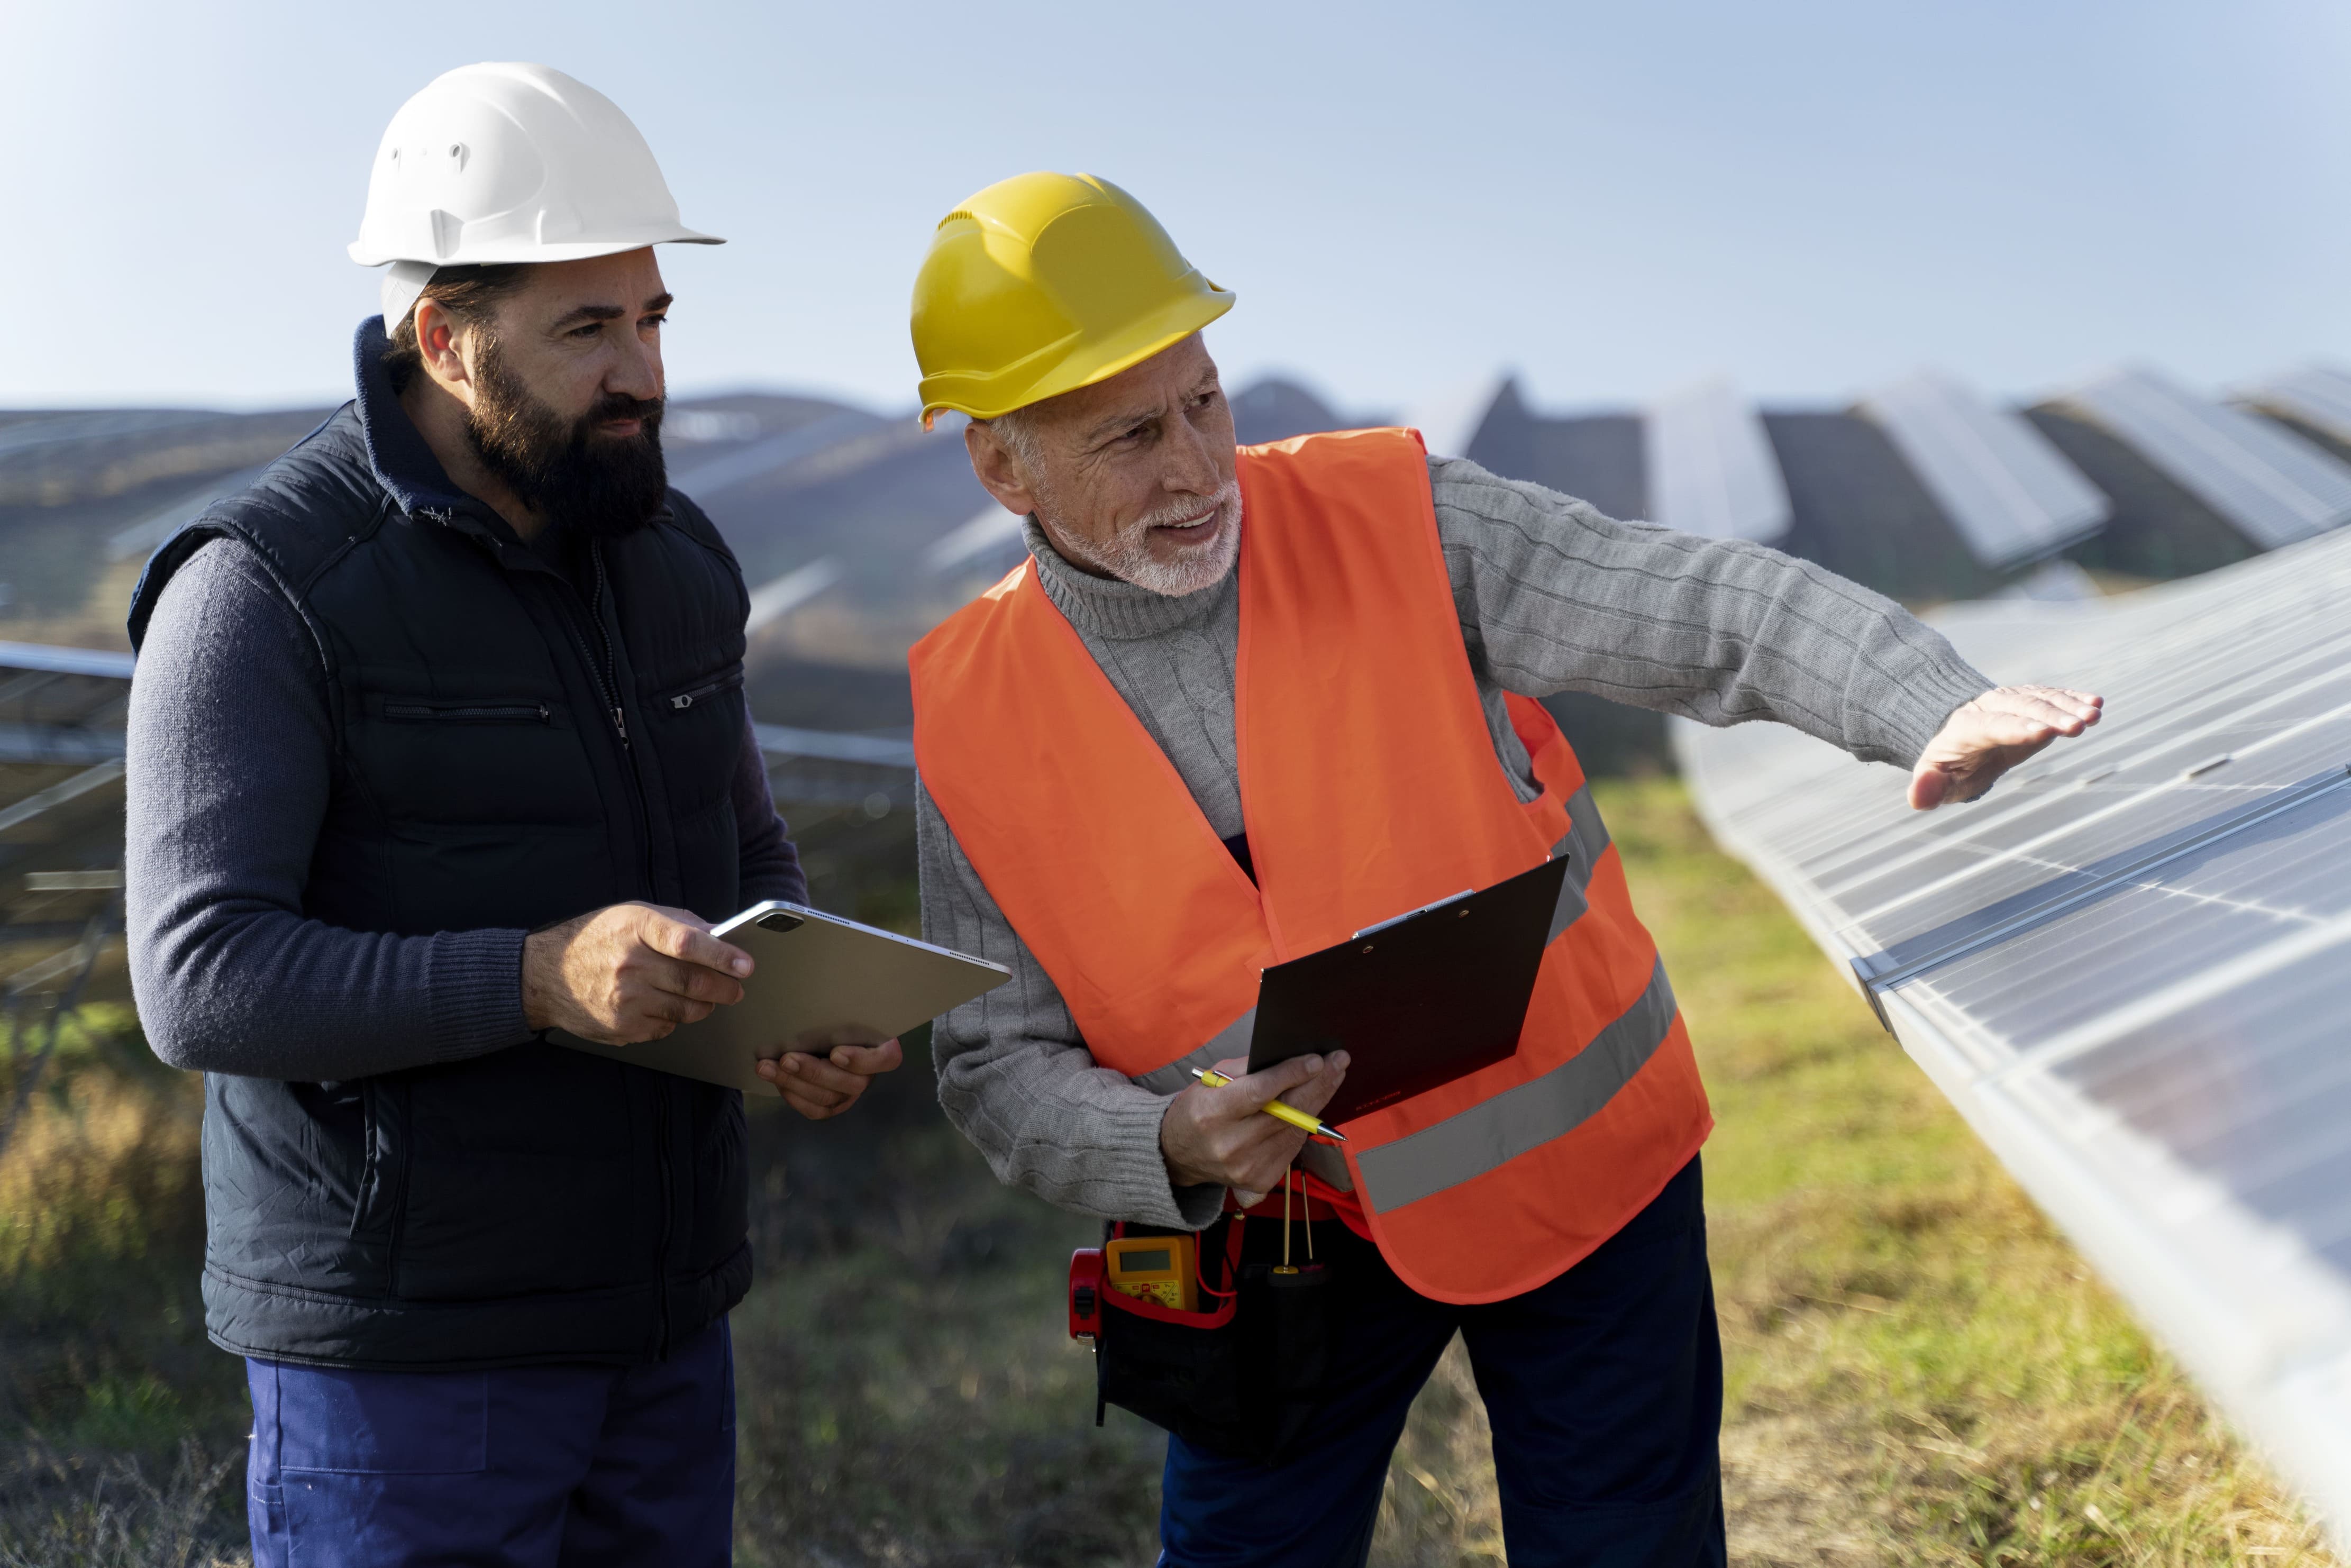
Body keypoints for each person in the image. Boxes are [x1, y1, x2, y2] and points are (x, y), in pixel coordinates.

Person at [905, 172, 2103, 1566]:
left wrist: (1919, 695)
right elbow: (992, 1061)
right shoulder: (969, 714)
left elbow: (1689, 599)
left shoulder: (1396, 514)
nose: (1193, 468)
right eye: (1128, 436)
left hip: (1583, 1177)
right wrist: (1160, 1144)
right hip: (1281, 1238)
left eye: (1204, 402)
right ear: (1003, 467)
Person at [123, 62, 898, 1568]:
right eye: (587, 331)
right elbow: (200, 976)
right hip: (407, 1367)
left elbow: (745, 853)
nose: (645, 375)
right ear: (444, 337)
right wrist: (539, 975)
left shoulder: (674, 557)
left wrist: (796, 1012)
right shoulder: (264, 588)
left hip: (666, 1327)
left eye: (653, 318)